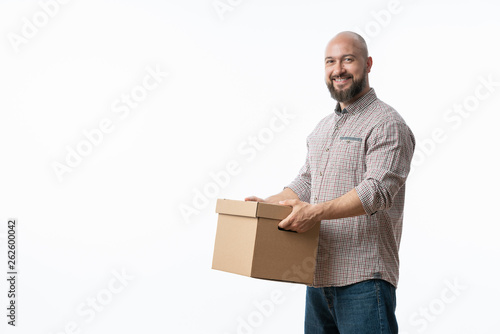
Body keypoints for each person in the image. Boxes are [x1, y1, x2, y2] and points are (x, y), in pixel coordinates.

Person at [245, 31, 415, 334]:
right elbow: (307, 181)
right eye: (330, 62)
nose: (338, 69)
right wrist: (267, 206)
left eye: (348, 59)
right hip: (318, 276)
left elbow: (377, 191)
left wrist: (316, 212)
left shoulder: (387, 123)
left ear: (368, 63)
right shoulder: (323, 128)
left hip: (364, 280)